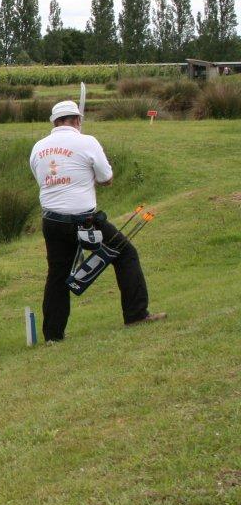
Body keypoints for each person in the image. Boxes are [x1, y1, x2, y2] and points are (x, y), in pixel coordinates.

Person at [28, 101, 165, 342]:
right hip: (85, 220)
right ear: (77, 120)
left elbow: (41, 179)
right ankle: (135, 314)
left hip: (52, 221)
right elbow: (107, 178)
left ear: (54, 122)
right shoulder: (87, 142)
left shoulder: (38, 147)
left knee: (58, 274)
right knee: (125, 254)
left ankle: (53, 335)